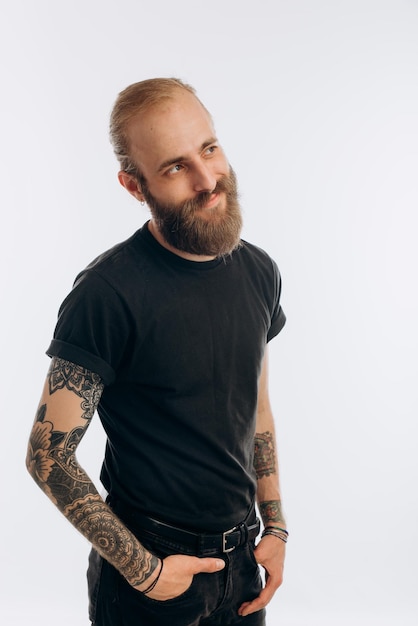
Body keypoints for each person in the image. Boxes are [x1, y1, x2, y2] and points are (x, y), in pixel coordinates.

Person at [26, 77, 288, 626]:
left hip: (243, 565)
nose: (207, 180)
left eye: (209, 149)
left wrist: (276, 526)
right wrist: (145, 571)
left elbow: (256, 409)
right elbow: (48, 457)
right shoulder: (106, 293)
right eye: (174, 167)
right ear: (133, 185)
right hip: (150, 574)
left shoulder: (260, 271)